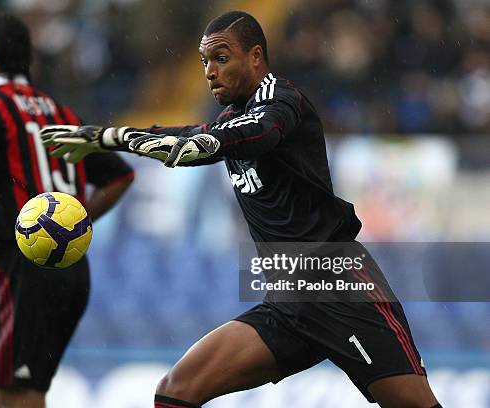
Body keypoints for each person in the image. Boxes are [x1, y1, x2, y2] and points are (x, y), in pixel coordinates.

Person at [40, 10, 442, 408]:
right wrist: (109, 137)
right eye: (204, 62)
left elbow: (259, 132)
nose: (210, 72)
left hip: (339, 288)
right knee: (176, 389)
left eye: (221, 57)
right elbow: (195, 134)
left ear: (255, 56)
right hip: (288, 302)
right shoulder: (230, 117)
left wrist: (208, 145)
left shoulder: (281, 99)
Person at [0, 12, 134, 408]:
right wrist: (70, 225)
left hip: (25, 271)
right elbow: (120, 178)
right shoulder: (63, 113)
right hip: (73, 271)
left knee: (20, 394)